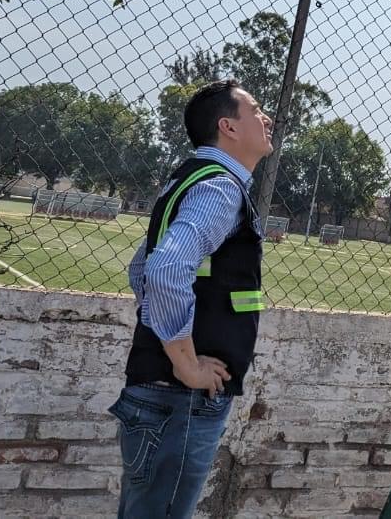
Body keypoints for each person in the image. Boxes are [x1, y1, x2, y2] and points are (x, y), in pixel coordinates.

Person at [110, 79, 273, 518]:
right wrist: (186, 364)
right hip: (179, 401)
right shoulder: (219, 187)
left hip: (159, 395)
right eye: (255, 109)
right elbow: (163, 271)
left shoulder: (189, 179)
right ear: (229, 127)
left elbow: (141, 268)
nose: (266, 118)